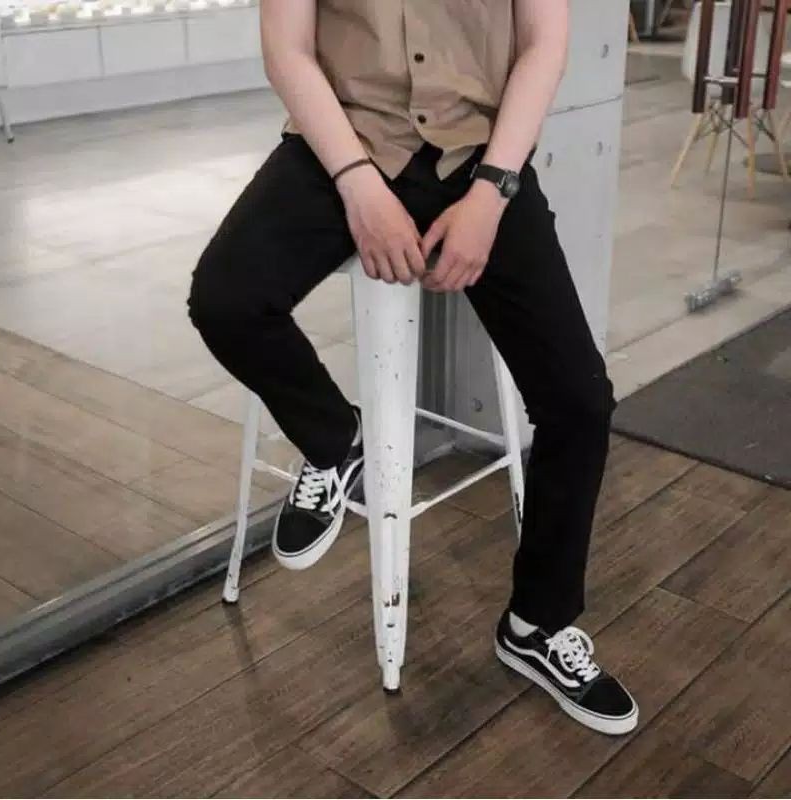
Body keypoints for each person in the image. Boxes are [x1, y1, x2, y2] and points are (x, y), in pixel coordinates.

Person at [188, 0, 638, 735]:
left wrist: (494, 191)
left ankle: (537, 625)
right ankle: (340, 442)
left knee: (579, 403)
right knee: (226, 299)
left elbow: (544, 43)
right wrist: (359, 185)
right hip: (343, 145)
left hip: (480, 158)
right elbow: (287, 48)